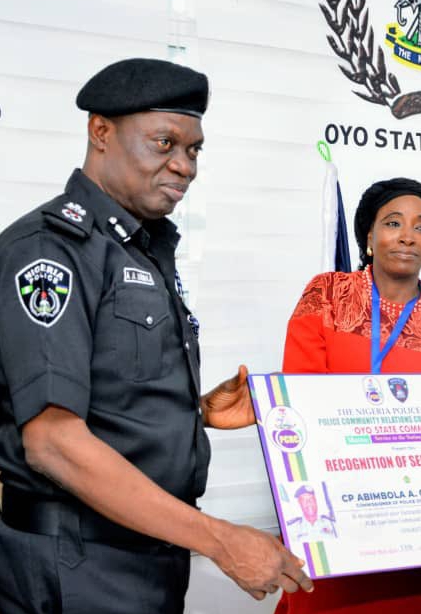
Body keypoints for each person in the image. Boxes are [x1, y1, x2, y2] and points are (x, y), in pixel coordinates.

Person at [0, 58, 313, 614]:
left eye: (193, 150)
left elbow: (105, 391)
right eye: (165, 143)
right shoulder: (52, 251)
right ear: (101, 132)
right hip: (77, 565)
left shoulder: (141, 248)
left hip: (143, 558)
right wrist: (221, 540)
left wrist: (194, 413)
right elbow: (52, 442)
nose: (184, 165)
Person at [275, 177, 421, 614]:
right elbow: (300, 403)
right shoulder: (327, 295)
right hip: (339, 517)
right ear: (368, 236)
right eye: (393, 223)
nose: (408, 236)